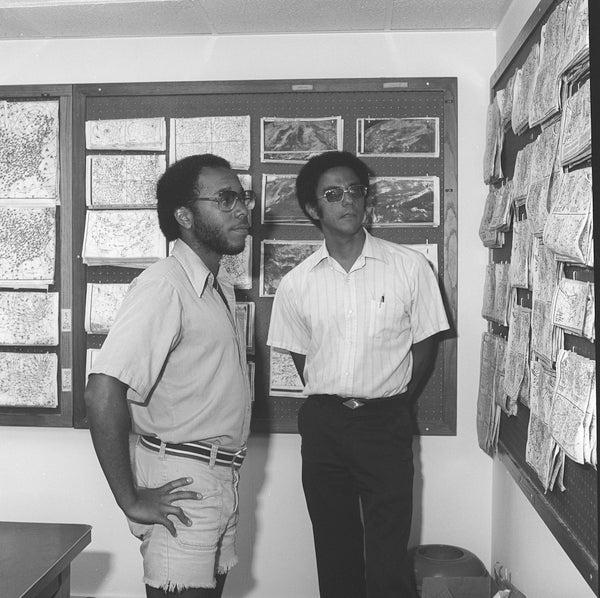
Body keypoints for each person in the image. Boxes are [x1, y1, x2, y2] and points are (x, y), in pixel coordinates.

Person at [267, 151, 450, 598]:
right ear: (314, 209)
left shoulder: (410, 267)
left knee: (387, 558)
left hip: (385, 422)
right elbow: (301, 356)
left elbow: (425, 342)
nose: (348, 201)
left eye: (355, 191)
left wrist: (397, 401)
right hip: (324, 424)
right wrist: (333, 398)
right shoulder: (296, 283)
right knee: (334, 549)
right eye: (333, 194)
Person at [84, 154, 254, 598]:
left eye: (243, 197)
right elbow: (103, 391)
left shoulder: (217, 288)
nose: (242, 209)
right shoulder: (164, 286)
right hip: (182, 482)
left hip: (219, 477)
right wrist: (132, 499)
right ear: (184, 216)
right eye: (225, 198)